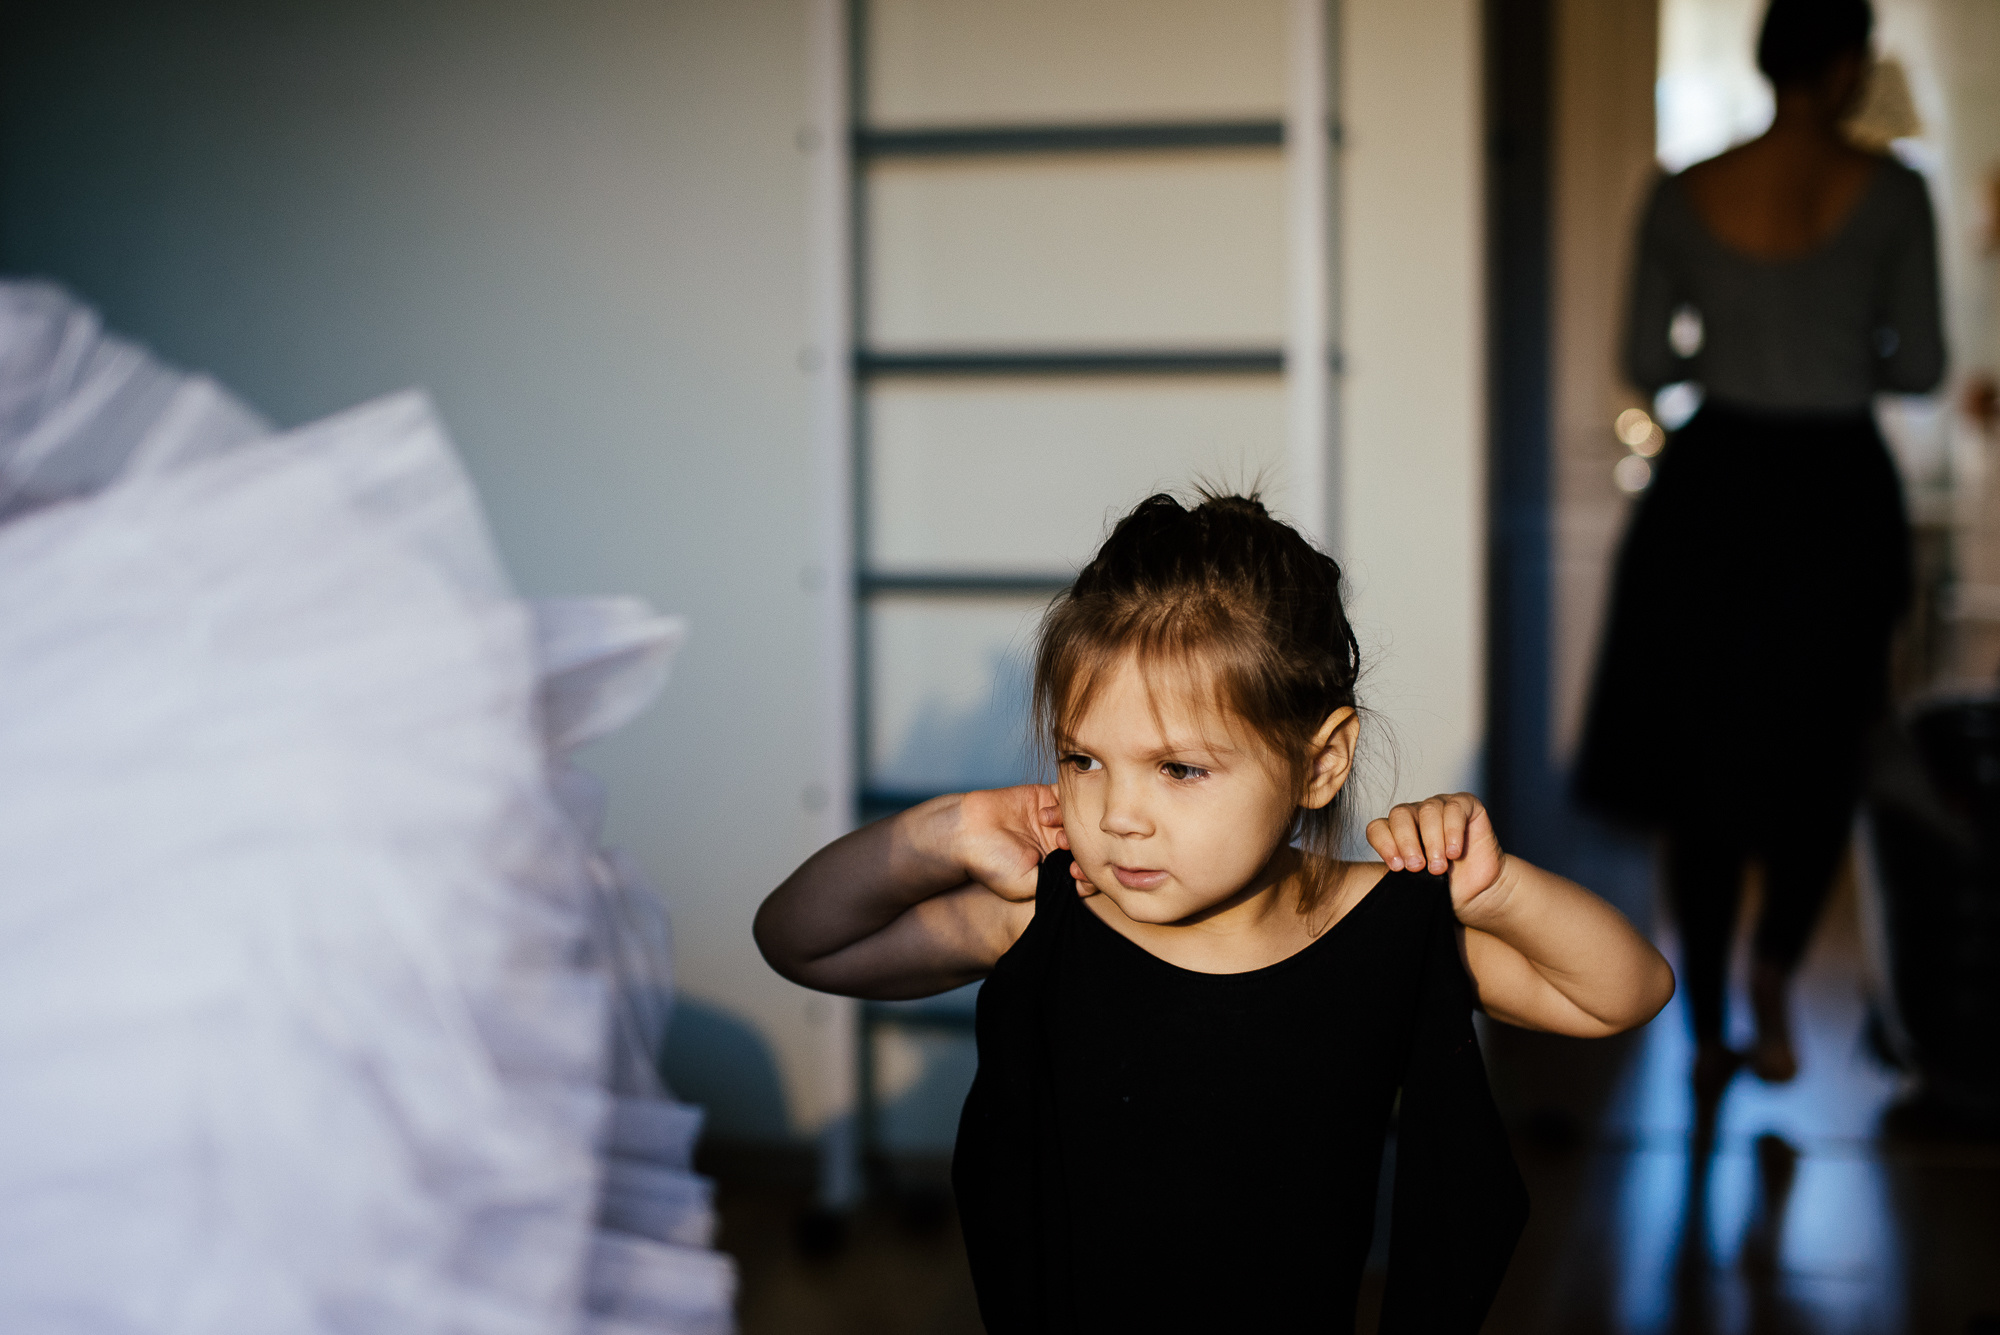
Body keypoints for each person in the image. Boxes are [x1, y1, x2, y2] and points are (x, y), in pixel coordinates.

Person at [758, 492, 1673, 1332]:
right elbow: (801, 940)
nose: (1117, 814)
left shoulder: (1375, 929)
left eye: (1179, 769)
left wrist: (1497, 887)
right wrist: (943, 828)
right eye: (1083, 760)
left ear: (1321, 761)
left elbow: (1624, 993)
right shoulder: (1054, 918)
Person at [1576, 0, 1944, 1104]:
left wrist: (1731, 333)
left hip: (1714, 487)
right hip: (1834, 487)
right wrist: (1836, 339)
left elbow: (1641, 355)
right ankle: (1776, 981)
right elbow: (1919, 363)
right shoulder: (1893, 194)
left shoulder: (1684, 192)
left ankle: (1702, 1020)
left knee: (1701, 758)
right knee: (1818, 750)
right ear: (1844, 66)